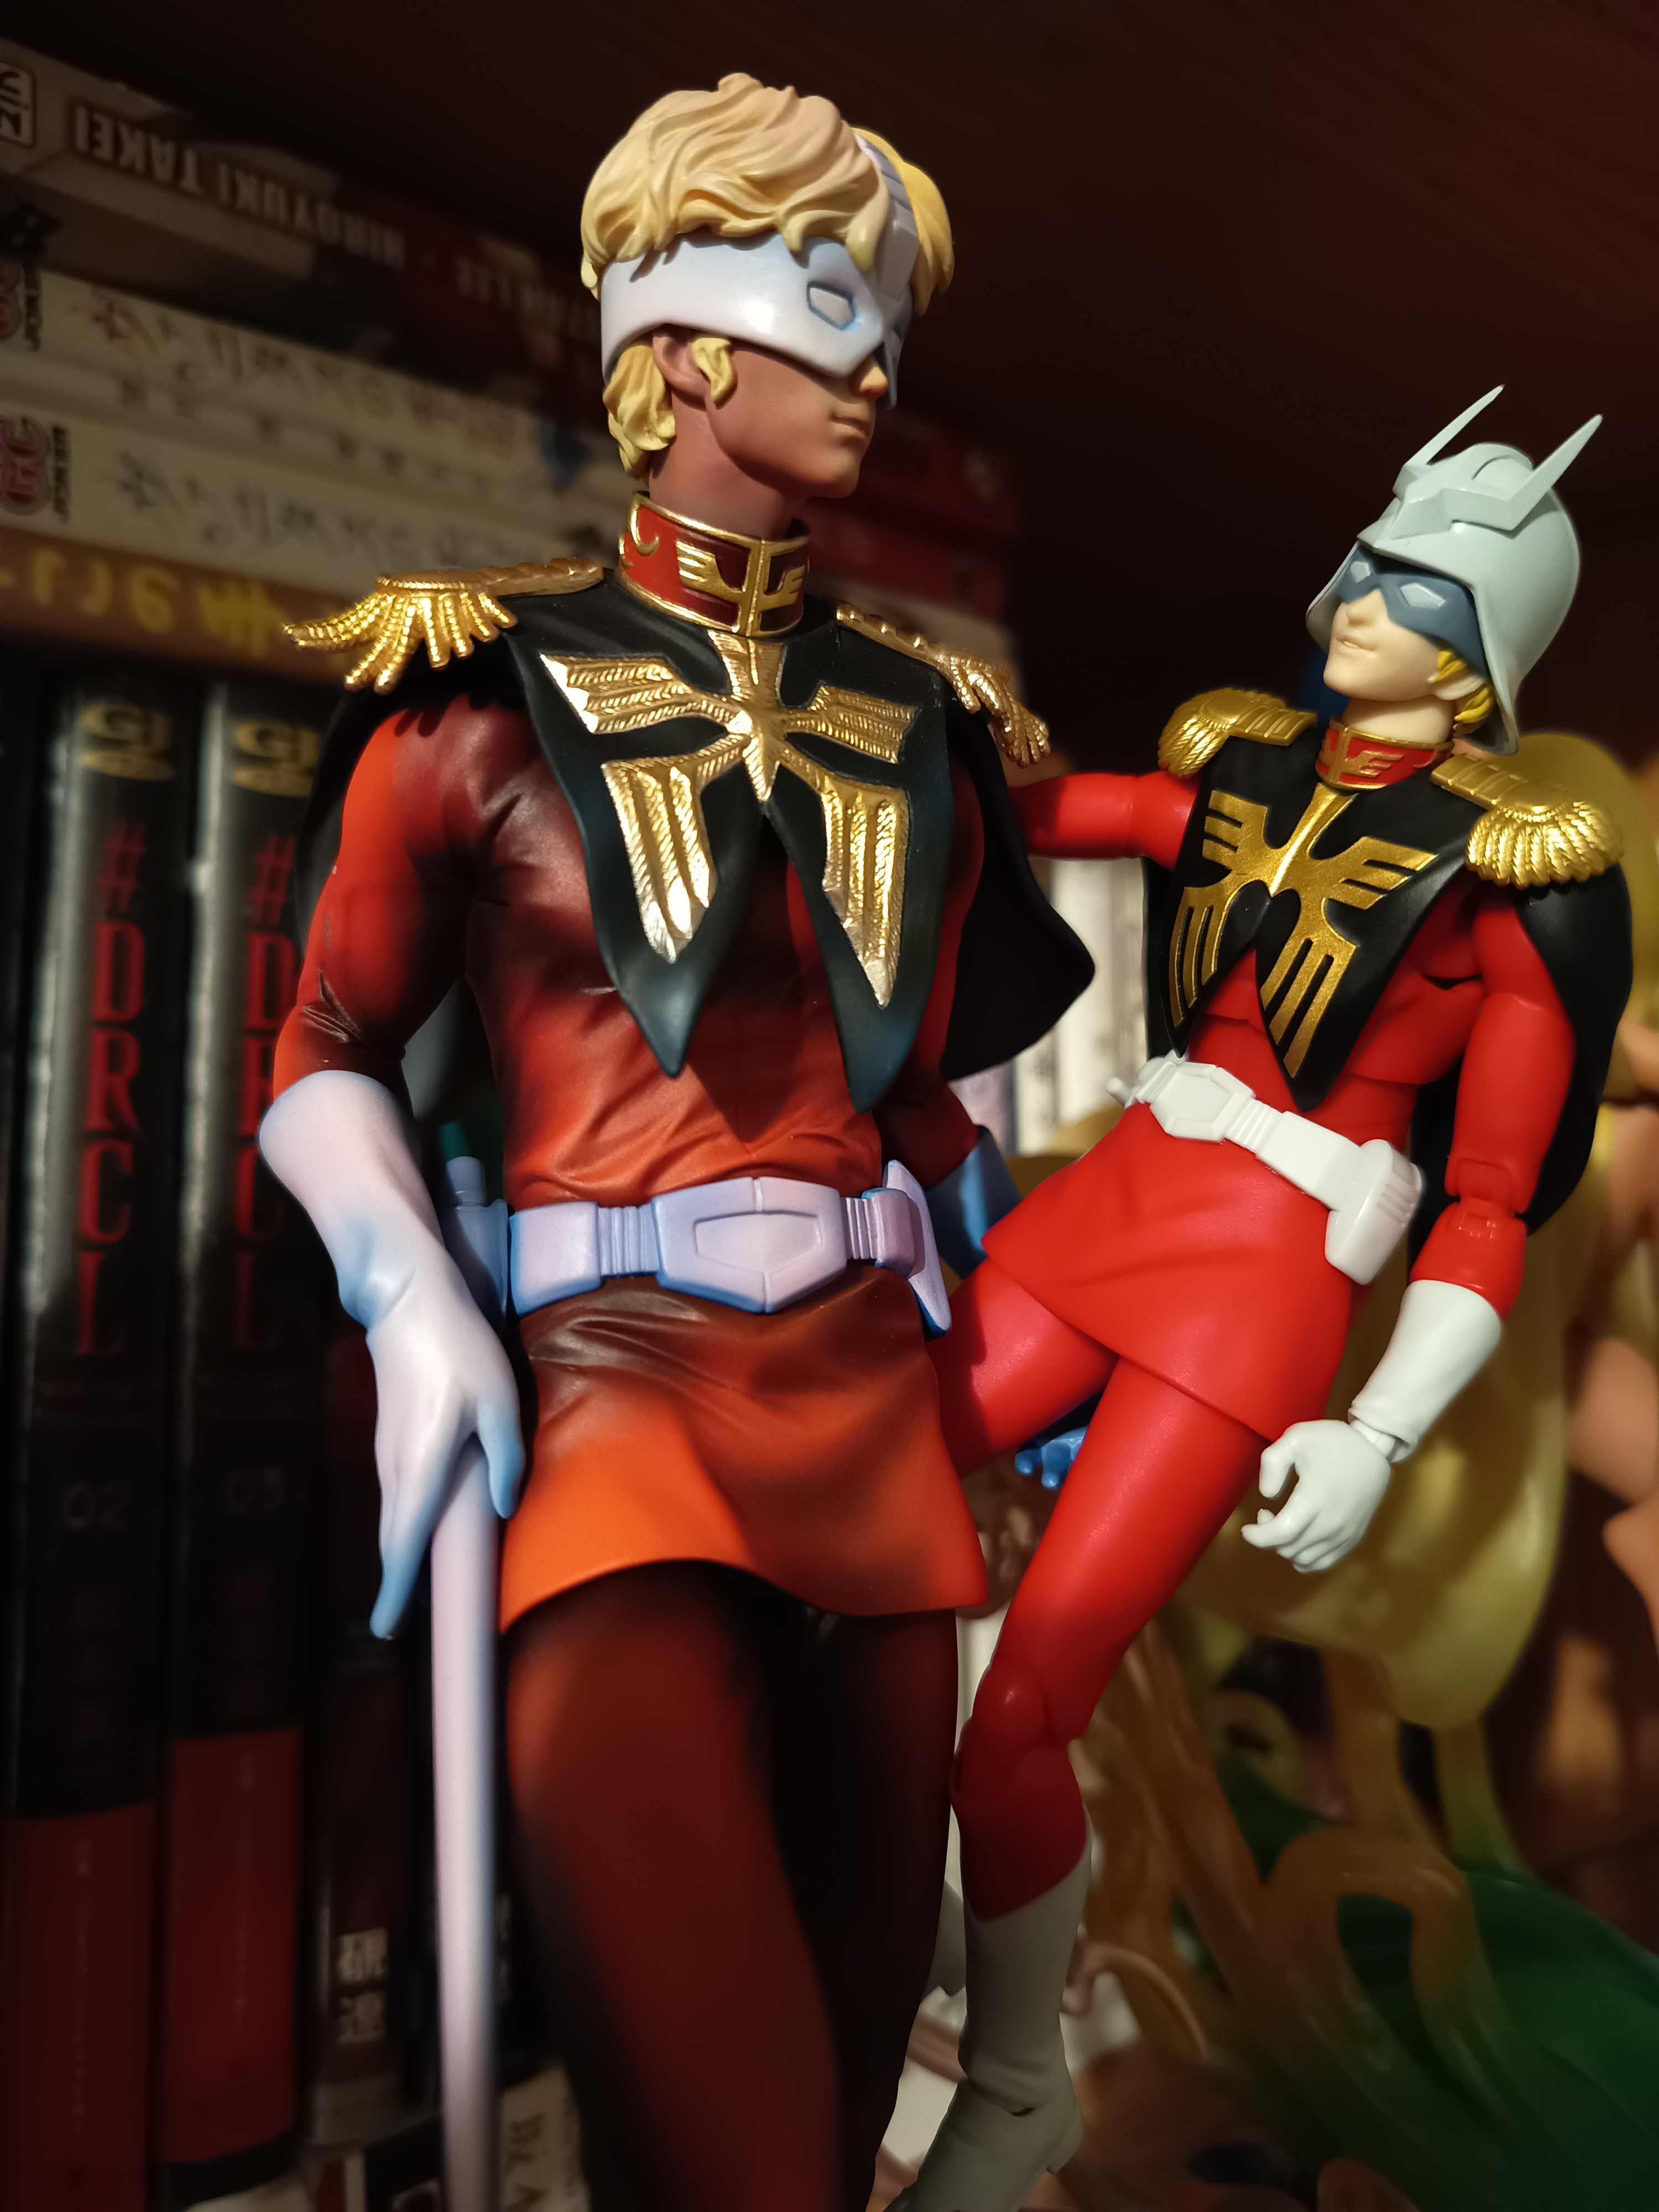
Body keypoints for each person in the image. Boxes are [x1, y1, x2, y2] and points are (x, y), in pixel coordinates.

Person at [265, 75, 1089, 2212]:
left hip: (877, 1435)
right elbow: (325, 1046)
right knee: (739, 2154)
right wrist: (406, 1292)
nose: (876, 360)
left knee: (828, 2105)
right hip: (613, 1418)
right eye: (828, 298)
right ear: (688, 350)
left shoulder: (926, 722)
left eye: (887, 309)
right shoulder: (473, 693)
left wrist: (1067, 1332)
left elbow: (929, 1108)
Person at [898, 392, 1632, 2209]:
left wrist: (1381, 1428)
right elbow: (1070, 812)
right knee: (862, 1476)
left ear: (1478, 653)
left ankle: (1016, 2084)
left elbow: (1488, 1203)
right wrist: (889, 761)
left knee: (1030, 1701)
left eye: (1416, 588)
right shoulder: (1246, 764)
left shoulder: (1514, 879)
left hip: (1257, 1296)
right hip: (1111, 1203)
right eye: (1370, 564)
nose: (1364, 598)